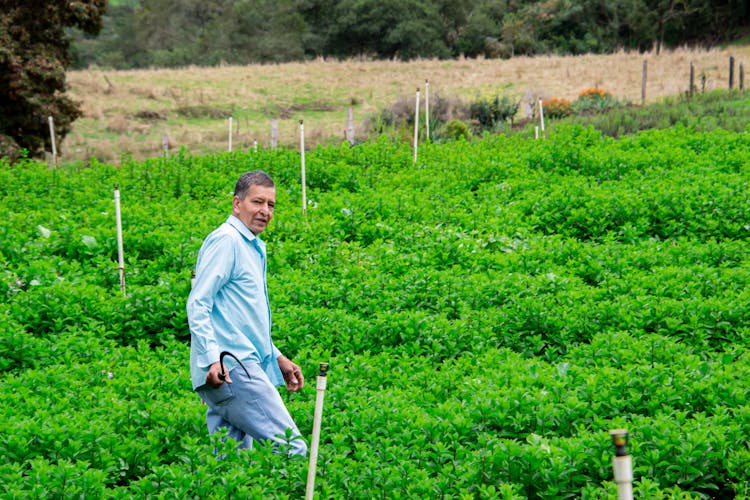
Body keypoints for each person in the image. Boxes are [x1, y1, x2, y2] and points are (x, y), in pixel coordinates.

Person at [187, 170, 307, 456]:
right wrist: (212, 359)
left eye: (271, 205)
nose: (265, 211)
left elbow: (237, 316)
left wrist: (277, 356)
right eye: (258, 202)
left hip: (229, 364)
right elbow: (198, 303)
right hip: (231, 366)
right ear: (236, 203)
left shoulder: (249, 245)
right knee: (294, 449)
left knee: (231, 462)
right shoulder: (227, 241)